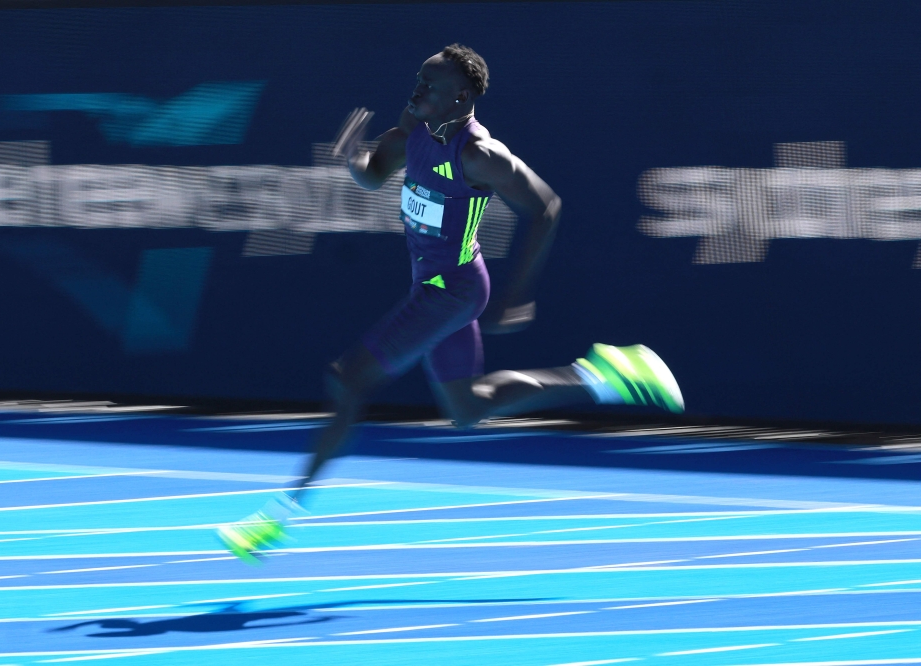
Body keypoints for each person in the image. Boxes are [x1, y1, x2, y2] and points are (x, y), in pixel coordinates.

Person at [218, 44, 683, 563]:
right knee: (467, 410)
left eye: (429, 85)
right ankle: (607, 375)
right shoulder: (413, 127)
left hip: (455, 293)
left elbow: (546, 207)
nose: (416, 90)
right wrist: (350, 157)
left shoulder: (480, 155)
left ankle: (276, 516)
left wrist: (518, 293)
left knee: (348, 378)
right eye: (417, 79)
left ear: (460, 98)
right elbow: (374, 173)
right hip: (431, 288)